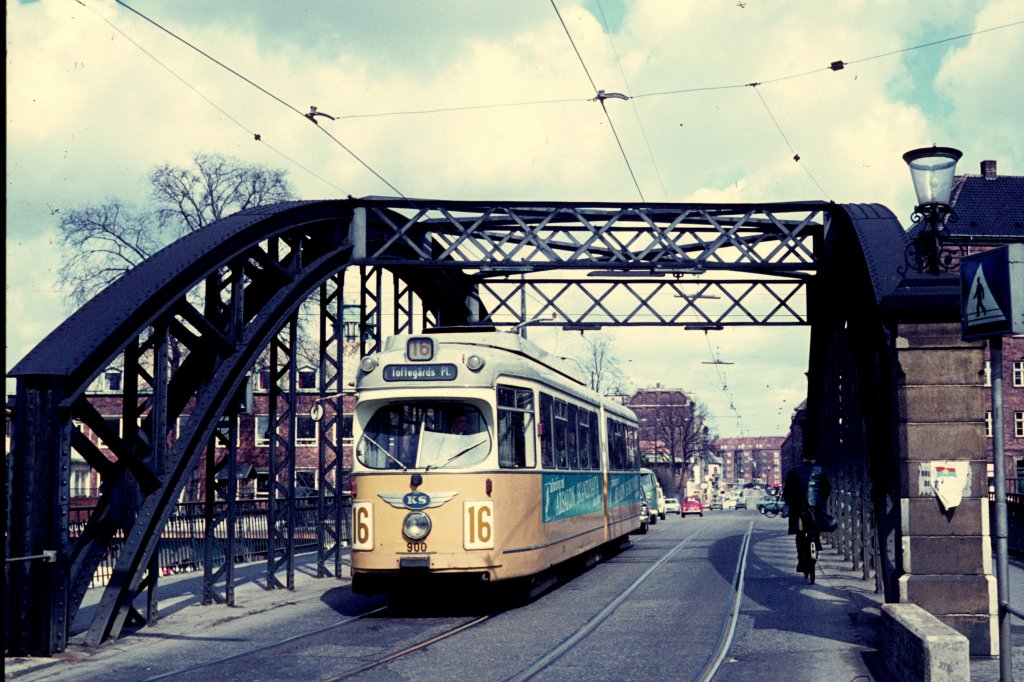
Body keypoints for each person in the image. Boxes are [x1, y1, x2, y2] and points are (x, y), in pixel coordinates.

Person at [783, 454, 831, 578]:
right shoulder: (821, 471)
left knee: (800, 534)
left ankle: (801, 559)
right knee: (815, 529)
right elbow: (826, 490)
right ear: (814, 460)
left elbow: (787, 493)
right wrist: (821, 503)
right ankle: (816, 543)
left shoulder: (793, 471)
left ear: (803, 459)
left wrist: (791, 504)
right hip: (815, 509)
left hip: (799, 510)